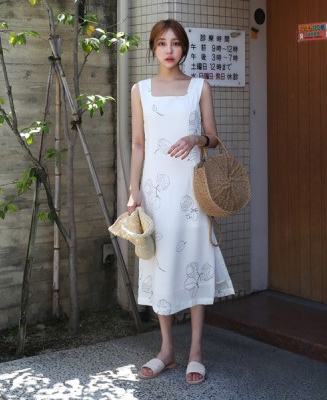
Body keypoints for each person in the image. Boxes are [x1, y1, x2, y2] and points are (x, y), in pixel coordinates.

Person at [127, 19, 235, 385]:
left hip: (192, 192)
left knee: (196, 262)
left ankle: (196, 351)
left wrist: (195, 138)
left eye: (175, 43)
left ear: (184, 48)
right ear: (153, 48)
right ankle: (167, 350)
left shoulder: (199, 87)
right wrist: (133, 190)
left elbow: (214, 138)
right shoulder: (139, 90)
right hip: (155, 191)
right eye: (162, 43)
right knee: (159, 264)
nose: (169, 50)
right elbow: (137, 144)